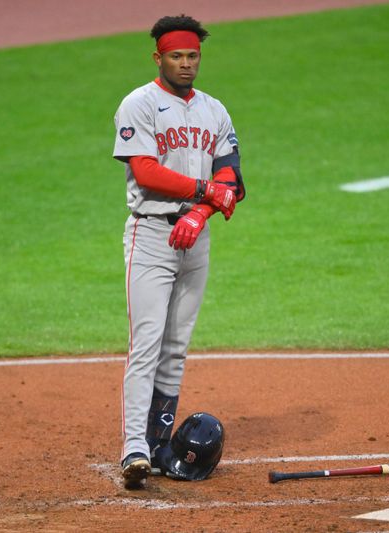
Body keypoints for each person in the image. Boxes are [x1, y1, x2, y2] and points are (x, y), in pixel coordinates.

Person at [111, 14, 245, 489]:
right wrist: (203, 190)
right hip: (150, 237)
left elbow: (233, 181)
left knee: (175, 348)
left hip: (195, 239)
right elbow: (146, 172)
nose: (186, 64)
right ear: (159, 57)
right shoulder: (139, 104)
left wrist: (198, 213)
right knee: (145, 344)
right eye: (177, 56)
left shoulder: (215, 110)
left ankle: (159, 441)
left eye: (193, 56)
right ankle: (133, 448)